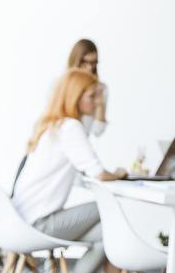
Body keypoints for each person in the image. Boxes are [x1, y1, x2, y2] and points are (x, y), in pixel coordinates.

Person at [12, 69, 128, 273]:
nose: (96, 102)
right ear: (75, 97)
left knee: (109, 233)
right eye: (91, 96)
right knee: (113, 205)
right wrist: (118, 174)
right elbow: (98, 173)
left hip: (22, 219)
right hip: (40, 223)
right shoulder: (70, 127)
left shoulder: (53, 126)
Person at [67, 39, 108, 137]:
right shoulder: (60, 85)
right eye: (85, 62)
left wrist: (100, 105)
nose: (89, 68)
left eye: (94, 63)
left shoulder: (99, 89)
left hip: (81, 144)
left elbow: (98, 131)